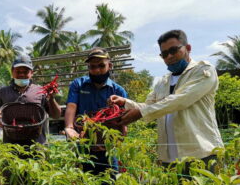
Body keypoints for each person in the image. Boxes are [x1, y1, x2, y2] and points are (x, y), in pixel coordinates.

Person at [109, 29, 224, 175]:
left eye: (174, 50)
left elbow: (180, 100)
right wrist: (125, 102)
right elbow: (149, 106)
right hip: (169, 160)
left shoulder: (203, 71)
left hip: (202, 155)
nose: (169, 56)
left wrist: (141, 112)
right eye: (164, 54)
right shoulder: (163, 82)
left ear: (188, 48)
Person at [64, 47, 128, 176]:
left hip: (108, 148)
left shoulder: (118, 91)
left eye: (101, 66)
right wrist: (69, 127)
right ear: (88, 68)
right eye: (93, 67)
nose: (97, 70)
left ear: (109, 66)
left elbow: (123, 123)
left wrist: (116, 140)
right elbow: (71, 106)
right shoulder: (78, 84)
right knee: (82, 182)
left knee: (110, 184)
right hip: (83, 144)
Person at [0, 54, 61, 145]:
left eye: (25, 72)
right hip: (11, 147)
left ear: (31, 73)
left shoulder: (41, 91)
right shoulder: (2, 92)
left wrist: (52, 98)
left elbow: (56, 115)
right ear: (12, 72)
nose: (21, 74)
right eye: (18, 71)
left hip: (37, 146)